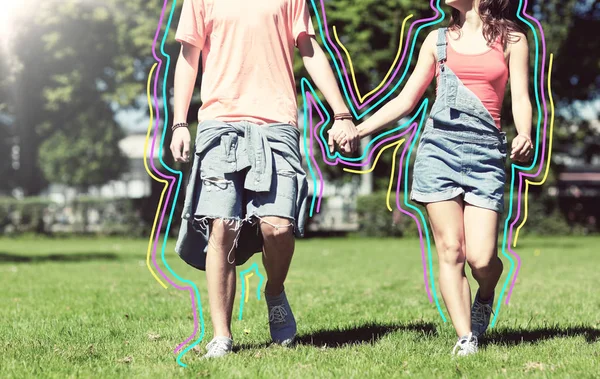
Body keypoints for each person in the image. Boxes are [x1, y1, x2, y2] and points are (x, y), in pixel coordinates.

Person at [170, 0, 359, 358]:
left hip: (276, 124)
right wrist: (180, 122)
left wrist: (341, 112)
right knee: (222, 226)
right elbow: (188, 56)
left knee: (277, 227)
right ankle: (221, 336)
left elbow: (310, 49)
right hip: (220, 122)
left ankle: (274, 291)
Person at [351, 0, 533, 356]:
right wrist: (361, 129)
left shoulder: (513, 40)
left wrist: (524, 132)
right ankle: (466, 337)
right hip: (439, 151)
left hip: (486, 155)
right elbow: (406, 99)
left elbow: (521, 97)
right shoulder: (436, 40)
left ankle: (485, 293)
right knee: (451, 250)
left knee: (482, 259)